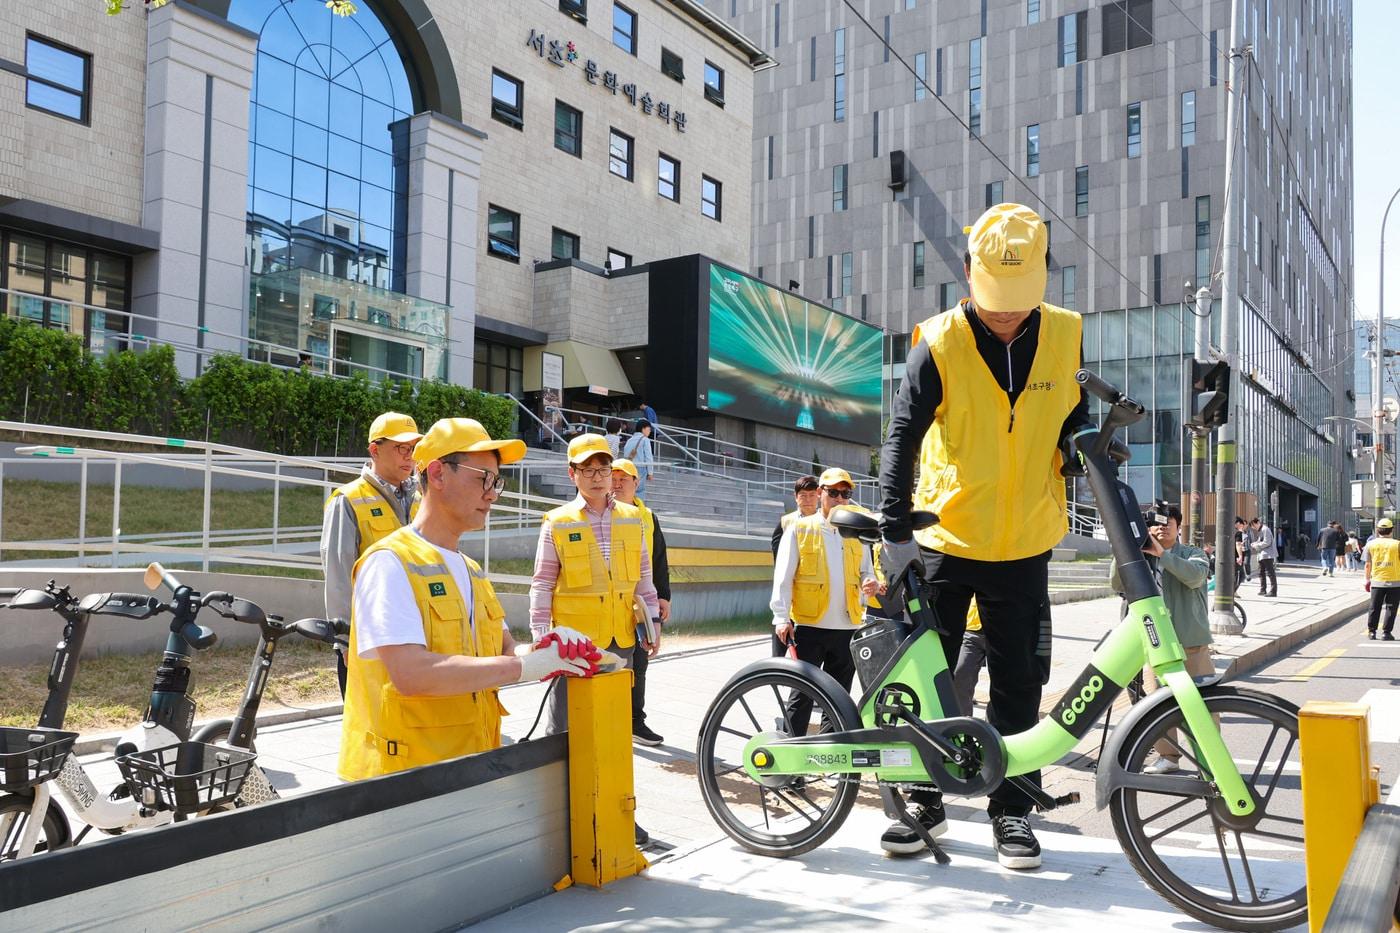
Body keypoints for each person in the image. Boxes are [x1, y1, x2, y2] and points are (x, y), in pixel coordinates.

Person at [878, 202, 1090, 869]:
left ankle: (1013, 811)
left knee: (1020, 680)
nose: (1005, 314)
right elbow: (902, 436)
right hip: (946, 539)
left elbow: (1071, 422)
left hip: (1026, 540)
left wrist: (1082, 453)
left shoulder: (1065, 334)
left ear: (1043, 278)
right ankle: (922, 798)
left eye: (1018, 301)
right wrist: (894, 528)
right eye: (995, 299)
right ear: (968, 272)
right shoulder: (937, 341)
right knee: (931, 679)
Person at [338, 418, 599, 782]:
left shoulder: (473, 571)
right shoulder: (390, 563)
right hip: (399, 783)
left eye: (496, 483)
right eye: (483, 479)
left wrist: (546, 652)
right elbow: (411, 673)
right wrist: (524, 668)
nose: (492, 494)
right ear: (438, 473)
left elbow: (506, 653)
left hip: (469, 769)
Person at [530, 433, 661, 844]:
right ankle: (557, 820)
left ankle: (618, 814)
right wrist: (540, 638)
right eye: (588, 469)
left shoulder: (632, 518)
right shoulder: (558, 522)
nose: (598, 477)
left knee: (615, 734)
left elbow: (644, 580)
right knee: (565, 733)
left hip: (620, 640)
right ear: (573, 474)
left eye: (604, 469)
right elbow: (542, 583)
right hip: (572, 645)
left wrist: (652, 625)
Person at [771, 467, 881, 734]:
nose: (840, 499)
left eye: (845, 494)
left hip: (848, 625)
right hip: (810, 625)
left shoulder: (855, 532)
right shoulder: (799, 528)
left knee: (838, 698)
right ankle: (789, 760)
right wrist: (781, 617)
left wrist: (871, 581)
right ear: (820, 493)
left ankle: (830, 759)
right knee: (802, 695)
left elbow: (867, 570)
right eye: (833, 492)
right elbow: (783, 576)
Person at [321, 412, 423, 699]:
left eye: (413, 449)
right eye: (401, 448)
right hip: (368, 640)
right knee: (368, 729)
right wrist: (344, 641)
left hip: (417, 636)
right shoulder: (348, 500)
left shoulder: (420, 500)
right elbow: (338, 573)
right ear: (375, 450)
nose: (409, 457)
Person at [1110, 501, 1212, 774]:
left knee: (1203, 706)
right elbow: (1116, 584)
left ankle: (1209, 760)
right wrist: (1127, 549)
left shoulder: (1193, 553)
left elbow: (1195, 577)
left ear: (1179, 527)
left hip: (1191, 643)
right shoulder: (1141, 557)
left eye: (1168, 523)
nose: (1162, 528)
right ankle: (1168, 756)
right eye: (1155, 523)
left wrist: (1162, 554)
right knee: (1158, 706)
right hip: (1155, 646)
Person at [612, 457, 670, 746]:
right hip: (611, 599)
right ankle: (611, 719)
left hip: (641, 599)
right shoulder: (603, 513)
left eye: (625, 478)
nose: (618, 482)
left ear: (637, 483)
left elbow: (658, 558)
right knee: (612, 661)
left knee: (640, 659)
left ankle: (636, 721)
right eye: (614, 477)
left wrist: (663, 596)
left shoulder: (647, 516)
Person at [770, 475, 822, 656]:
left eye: (811, 495)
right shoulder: (786, 523)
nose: (807, 500)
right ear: (795, 497)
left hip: (813, 602)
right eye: (803, 495)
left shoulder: (827, 524)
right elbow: (779, 564)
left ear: (819, 495)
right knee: (778, 653)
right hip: (789, 594)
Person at [1364, 517, 1400, 640]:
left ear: (1378, 530)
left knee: (1374, 606)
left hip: (1377, 581)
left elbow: (1368, 564)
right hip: (1395, 581)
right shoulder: (1398, 544)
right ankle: (1386, 633)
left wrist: (1367, 579)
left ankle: (1372, 632)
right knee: (1391, 608)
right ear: (1392, 530)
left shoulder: (1370, 544)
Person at [621, 419, 656, 497]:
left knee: (630, 490)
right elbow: (648, 457)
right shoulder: (645, 440)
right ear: (643, 429)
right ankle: (638, 508)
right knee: (639, 491)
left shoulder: (629, 440)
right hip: (640, 468)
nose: (650, 431)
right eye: (649, 429)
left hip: (629, 468)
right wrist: (650, 473)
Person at [1249, 517, 1278, 597]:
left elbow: (1267, 542)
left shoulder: (1265, 529)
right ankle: (1263, 589)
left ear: (1258, 522)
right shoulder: (1261, 530)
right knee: (1261, 572)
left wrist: (1256, 545)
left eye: (1254, 526)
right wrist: (1254, 544)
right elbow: (1260, 541)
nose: (1255, 528)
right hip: (1262, 554)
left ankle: (1273, 591)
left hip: (1267, 554)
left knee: (1270, 572)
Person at [1233, 517, 1248, 586]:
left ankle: (1233, 591)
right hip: (1236, 557)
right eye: (1243, 525)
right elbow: (1238, 544)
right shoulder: (1239, 533)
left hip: (1235, 556)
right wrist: (1240, 556)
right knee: (1240, 576)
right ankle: (1233, 591)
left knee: (1238, 575)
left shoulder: (1237, 532)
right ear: (1240, 524)